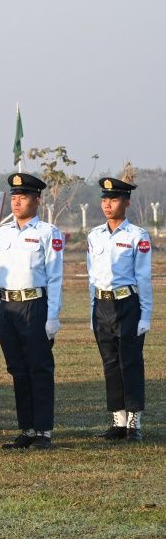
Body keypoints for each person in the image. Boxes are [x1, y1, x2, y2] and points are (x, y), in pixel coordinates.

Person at [0, 173, 64, 450]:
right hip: (7, 306)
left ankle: (43, 431)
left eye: (23, 197)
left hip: (35, 306)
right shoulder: (1, 233)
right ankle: (27, 429)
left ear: (37, 200)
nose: (17, 202)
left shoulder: (47, 232)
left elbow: (55, 277)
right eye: (14, 197)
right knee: (17, 370)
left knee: (39, 368)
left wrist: (52, 316)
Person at [87, 177, 153, 442]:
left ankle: (134, 422)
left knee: (131, 362)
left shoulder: (137, 235)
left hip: (128, 304)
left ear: (126, 202)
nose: (107, 205)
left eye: (113, 199)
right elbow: (92, 276)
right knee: (110, 363)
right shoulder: (94, 235)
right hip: (102, 304)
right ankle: (118, 420)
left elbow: (144, 277)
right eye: (104, 199)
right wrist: (92, 310)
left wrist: (145, 314)